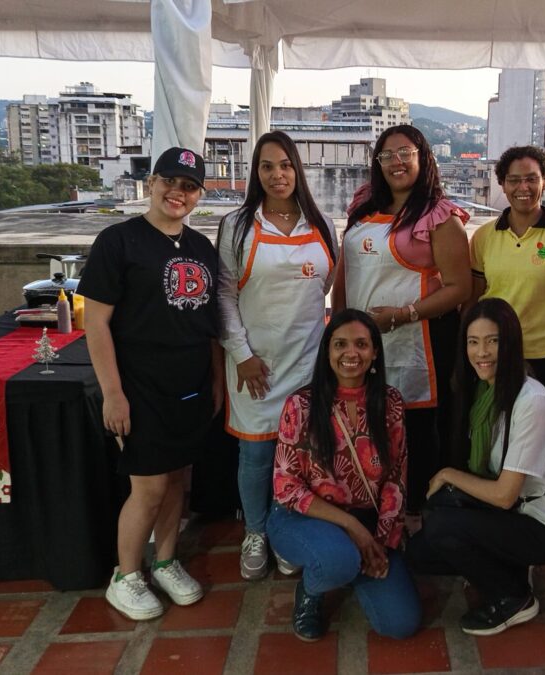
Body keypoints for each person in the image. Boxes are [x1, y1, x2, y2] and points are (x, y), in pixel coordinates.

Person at [80, 146, 221, 620]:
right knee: (150, 486)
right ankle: (126, 575)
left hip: (192, 383)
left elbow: (210, 325)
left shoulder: (202, 248)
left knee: (179, 479)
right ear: (151, 183)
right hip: (140, 385)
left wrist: (217, 383)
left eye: (188, 186)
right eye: (170, 182)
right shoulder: (118, 241)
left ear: (200, 194)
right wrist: (113, 393)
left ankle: (165, 560)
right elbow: (95, 324)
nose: (177, 193)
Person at [407, 298, 545, 636]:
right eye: (473, 342)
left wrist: (448, 474)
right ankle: (509, 562)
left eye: (493, 341)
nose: (481, 352)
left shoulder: (531, 402)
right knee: (423, 548)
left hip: (539, 522)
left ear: (510, 343)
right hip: (511, 509)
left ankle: (513, 598)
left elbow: (503, 495)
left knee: (443, 527)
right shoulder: (484, 391)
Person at [333, 124, 472, 516]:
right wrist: (339, 323)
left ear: (423, 157)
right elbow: (346, 270)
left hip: (421, 345)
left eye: (405, 153)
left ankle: (417, 516)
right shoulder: (363, 205)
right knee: (370, 426)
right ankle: (373, 506)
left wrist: (402, 315)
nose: (396, 162)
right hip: (363, 341)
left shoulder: (440, 217)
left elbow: (460, 288)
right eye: (387, 155)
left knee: (416, 433)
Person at [217, 131, 337, 581]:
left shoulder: (321, 224)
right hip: (256, 365)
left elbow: (323, 289)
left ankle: (285, 530)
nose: (277, 174)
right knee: (256, 456)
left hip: (306, 363)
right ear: (256, 173)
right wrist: (243, 354)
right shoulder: (238, 226)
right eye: (267, 166)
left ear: (297, 170)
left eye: (285, 165)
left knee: (299, 456)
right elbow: (224, 297)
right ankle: (255, 530)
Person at [268, 309, 420, 642]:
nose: (351, 353)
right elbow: (286, 488)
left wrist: (378, 543)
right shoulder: (301, 406)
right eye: (340, 344)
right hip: (302, 518)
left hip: (367, 522)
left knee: (401, 624)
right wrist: (352, 528)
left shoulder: (390, 402)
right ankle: (313, 588)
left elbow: (395, 479)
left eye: (361, 344)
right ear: (327, 351)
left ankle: (348, 562)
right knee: (337, 560)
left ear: (375, 352)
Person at [468, 145, 545, 410]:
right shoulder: (483, 237)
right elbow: (472, 304)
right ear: (502, 184)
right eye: (513, 180)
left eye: (531, 179)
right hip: (495, 358)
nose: (522, 187)